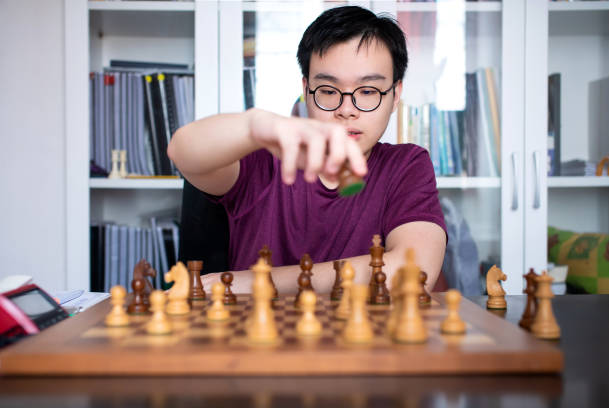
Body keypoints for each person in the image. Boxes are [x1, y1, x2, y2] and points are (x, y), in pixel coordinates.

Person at [167, 6, 447, 294]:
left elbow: (414, 272)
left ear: (395, 94)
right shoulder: (265, 158)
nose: (346, 109)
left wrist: (258, 281)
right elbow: (181, 152)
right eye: (328, 91)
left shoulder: (406, 165)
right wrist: (253, 125)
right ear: (306, 89)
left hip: (365, 337)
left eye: (367, 92)